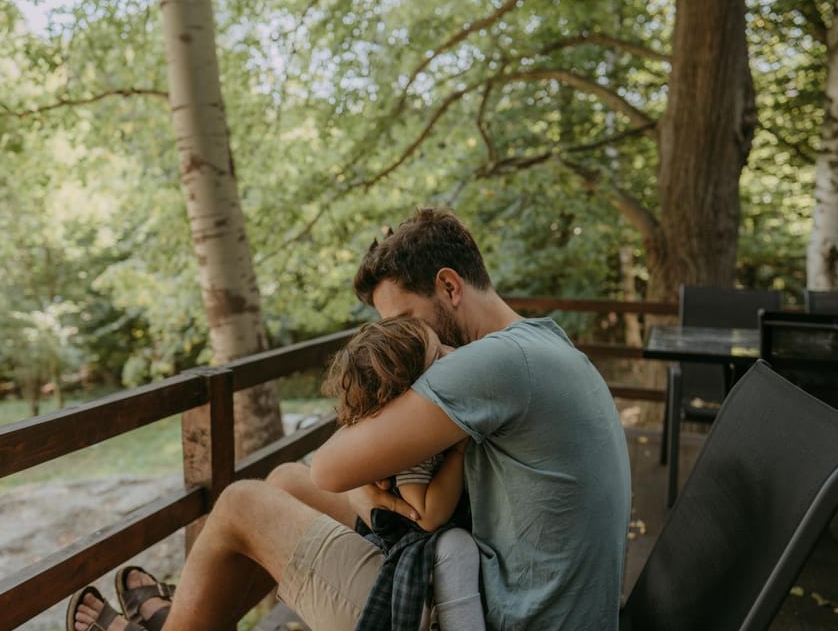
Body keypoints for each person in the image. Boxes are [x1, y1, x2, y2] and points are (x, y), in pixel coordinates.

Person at [66, 206, 632, 631]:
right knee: (285, 477)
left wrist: (377, 492)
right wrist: (382, 497)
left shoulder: (493, 363)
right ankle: (189, 621)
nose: (406, 344)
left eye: (409, 321)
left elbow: (334, 465)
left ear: (450, 287)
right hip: (508, 590)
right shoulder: (540, 344)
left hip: (494, 616)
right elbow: (316, 474)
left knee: (241, 503)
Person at [321, 315, 484, 629]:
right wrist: (459, 452)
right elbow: (427, 515)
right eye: (438, 356)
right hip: (413, 546)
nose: (452, 353)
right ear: (411, 389)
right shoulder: (412, 453)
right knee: (456, 546)